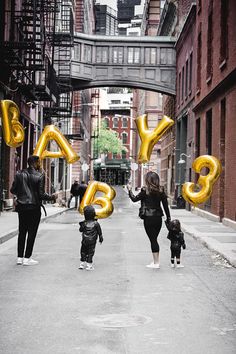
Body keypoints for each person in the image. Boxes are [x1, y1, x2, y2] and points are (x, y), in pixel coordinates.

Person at [10, 155, 57, 266]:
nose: (40, 164)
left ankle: (19, 257)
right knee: (32, 232)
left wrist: (19, 195)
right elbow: (41, 194)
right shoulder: (40, 175)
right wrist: (52, 197)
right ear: (35, 163)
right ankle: (27, 258)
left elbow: (13, 190)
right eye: (39, 162)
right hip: (34, 208)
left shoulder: (19, 174)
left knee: (22, 232)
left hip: (22, 207)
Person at [127, 171, 171, 269]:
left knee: (153, 240)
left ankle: (156, 263)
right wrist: (168, 218)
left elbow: (134, 199)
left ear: (148, 180)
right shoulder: (161, 190)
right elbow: (165, 207)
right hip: (158, 218)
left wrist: (129, 190)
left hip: (148, 218)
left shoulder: (145, 191)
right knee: (154, 239)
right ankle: (156, 261)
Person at [78, 205, 103, 271]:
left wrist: (82, 224)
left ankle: (82, 264)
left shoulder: (84, 223)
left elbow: (80, 230)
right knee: (90, 252)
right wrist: (101, 238)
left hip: (84, 240)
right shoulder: (96, 223)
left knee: (83, 251)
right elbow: (99, 232)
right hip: (92, 241)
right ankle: (89, 265)